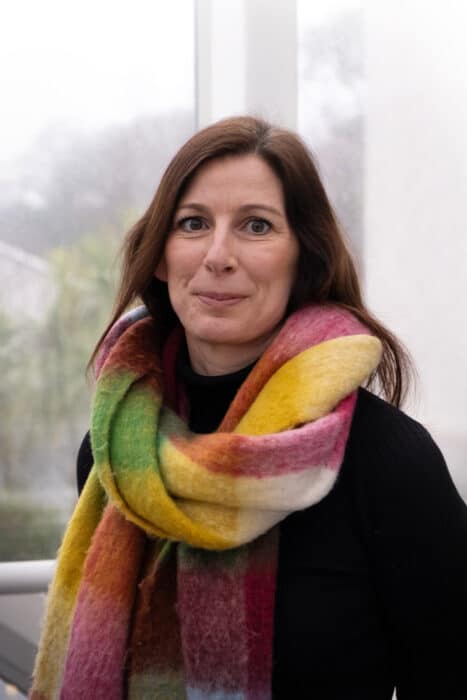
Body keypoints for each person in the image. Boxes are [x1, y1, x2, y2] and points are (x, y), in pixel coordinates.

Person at [30, 116, 467, 700]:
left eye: (256, 226)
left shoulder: (385, 459)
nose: (218, 255)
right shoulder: (116, 453)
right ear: (161, 255)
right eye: (193, 224)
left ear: (304, 260)